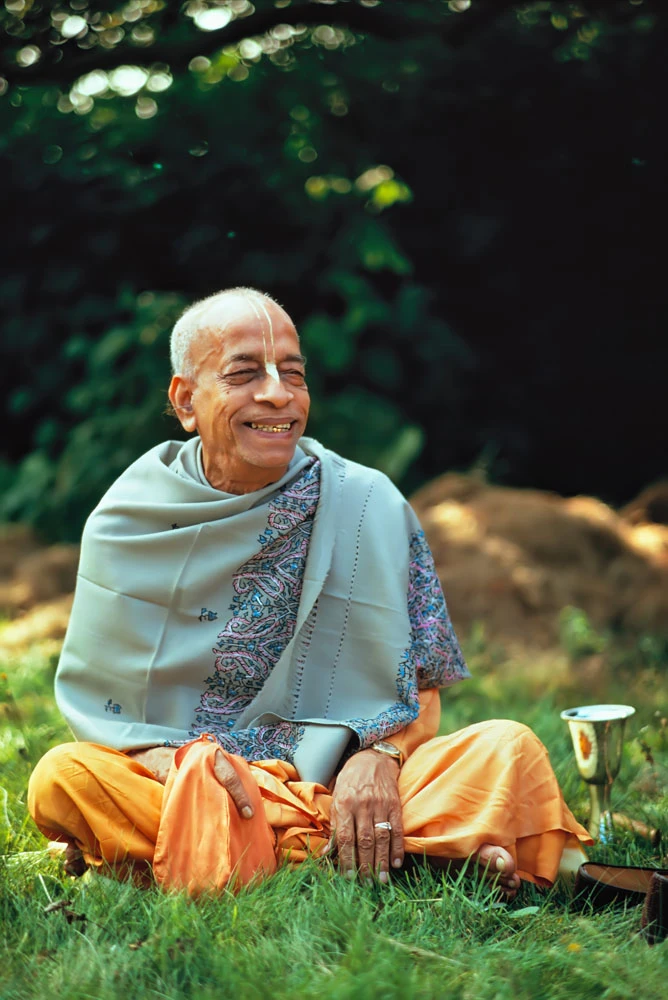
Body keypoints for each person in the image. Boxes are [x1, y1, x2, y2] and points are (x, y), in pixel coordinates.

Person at [27, 288, 591, 896]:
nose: (278, 395)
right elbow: (114, 728)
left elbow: (421, 688)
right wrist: (190, 769)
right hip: (200, 783)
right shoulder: (130, 522)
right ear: (186, 399)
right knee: (64, 777)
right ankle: (389, 852)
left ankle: (247, 852)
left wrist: (381, 761)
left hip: (355, 776)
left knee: (506, 747)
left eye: (293, 375)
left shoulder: (369, 502)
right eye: (245, 374)